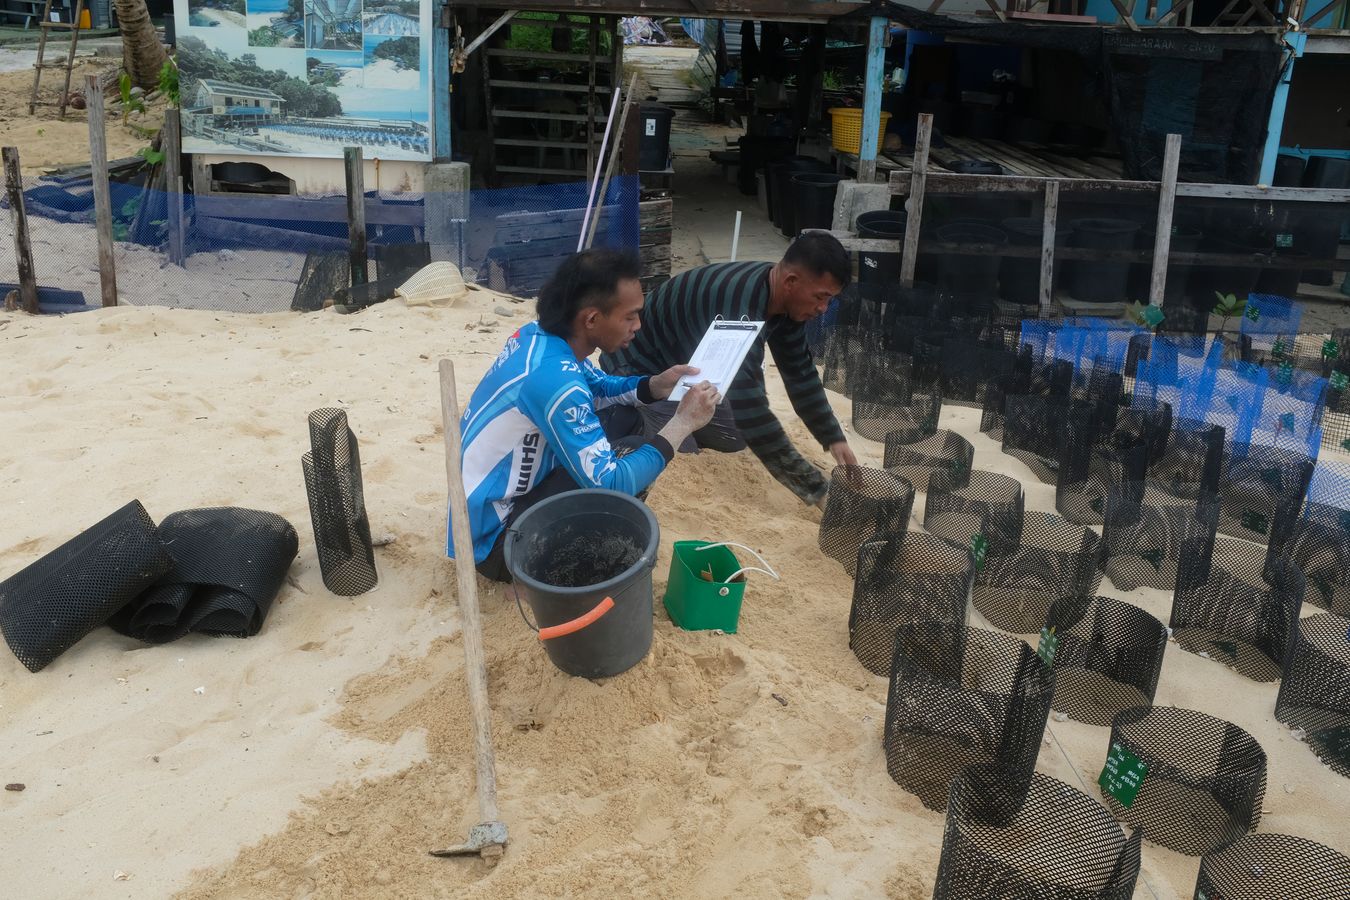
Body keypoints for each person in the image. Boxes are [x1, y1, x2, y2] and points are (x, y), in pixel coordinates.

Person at [449, 248, 720, 583]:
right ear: (592, 319)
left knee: (626, 416)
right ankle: (537, 573)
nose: (638, 325)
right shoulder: (556, 382)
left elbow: (600, 386)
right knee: (634, 453)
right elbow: (613, 484)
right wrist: (681, 425)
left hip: (486, 503)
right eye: (630, 316)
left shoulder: (541, 337)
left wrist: (656, 385)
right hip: (496, 543)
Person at [601, 231, 855, 507]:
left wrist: (832, 436)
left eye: (830, 300)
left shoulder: (785, 298)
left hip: (688, 370)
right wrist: (817, 490)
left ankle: (673, 417)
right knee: (683, 455)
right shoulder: (738, 308)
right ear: (791, 281)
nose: (823, 308)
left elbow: (800, 372)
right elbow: (754, 414)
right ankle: (636, 418)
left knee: (732, 439)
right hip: (637, 371)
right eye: (821, 297)